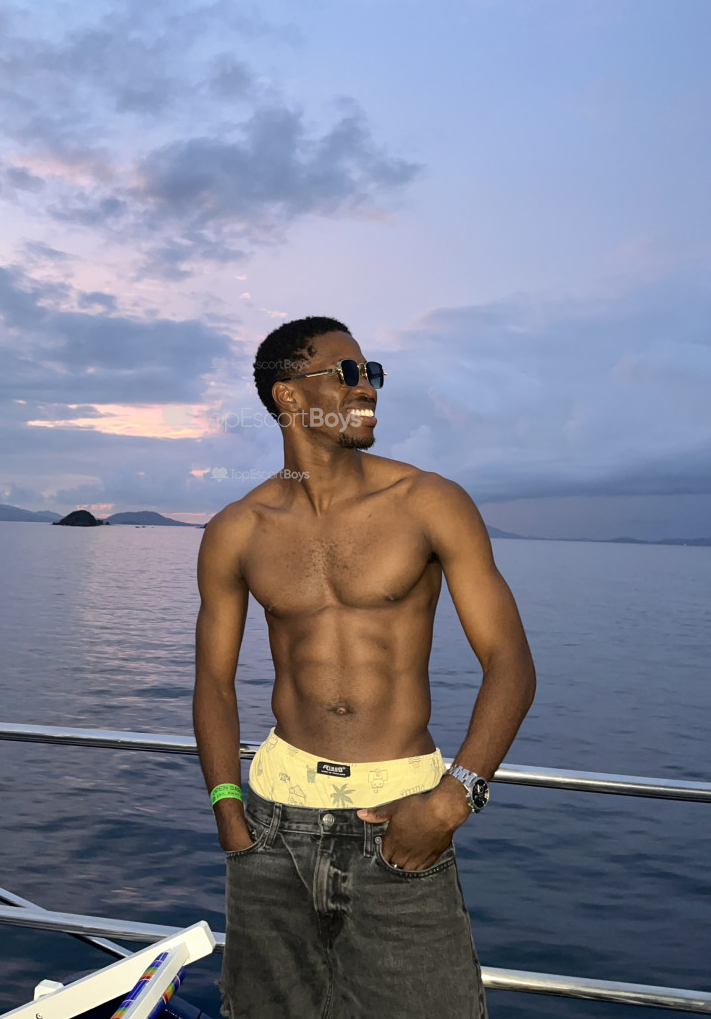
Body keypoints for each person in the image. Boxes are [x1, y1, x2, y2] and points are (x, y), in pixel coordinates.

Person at [192, 316, 536, 1019]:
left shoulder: (428, 502)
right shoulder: (237, 529)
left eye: (371, 372)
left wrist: (455, 797)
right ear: (289, 396)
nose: (368, 387)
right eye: (347, 372)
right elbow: (213, 683)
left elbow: (511, 662)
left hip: (402, 819)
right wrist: (227, 807)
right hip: (272, 825)